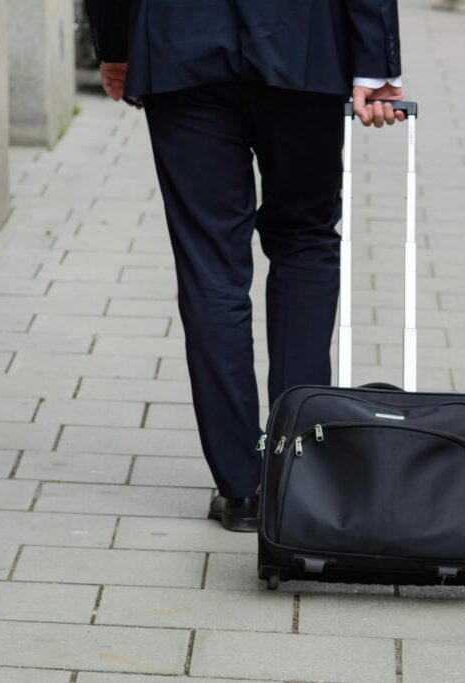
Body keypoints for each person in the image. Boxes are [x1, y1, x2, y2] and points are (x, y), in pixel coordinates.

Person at [85, 0, 405, 532]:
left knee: (210, 265)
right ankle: (295, 468)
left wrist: (117, 44)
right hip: (303, 45)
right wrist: (374, 62)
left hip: (180, 44)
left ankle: (242, 487)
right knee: (304, 240)